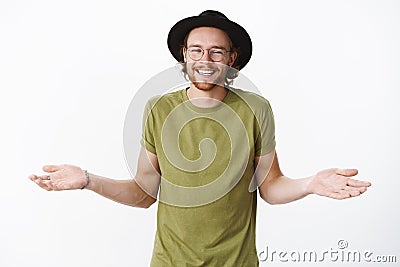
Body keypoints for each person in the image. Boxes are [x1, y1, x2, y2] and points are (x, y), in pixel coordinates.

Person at [29, 10, 371, 266]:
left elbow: (271, 187)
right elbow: (144, 193)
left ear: (231, 59)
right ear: (184, 56)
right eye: (196, 50)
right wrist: (88, 180)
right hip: (170, 261)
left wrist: (311, 183)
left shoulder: (256, 108)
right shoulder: (159, 109)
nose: (204, 60)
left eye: (216, 52)